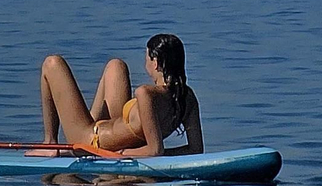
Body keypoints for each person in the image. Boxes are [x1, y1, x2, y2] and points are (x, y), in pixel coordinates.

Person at [37, 33, 203, 157]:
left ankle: (50, 142)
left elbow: (155, 150)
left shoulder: (146, 94)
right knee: (116, 65)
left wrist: (120, 154)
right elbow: (195, 149)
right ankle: (87, 123)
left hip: (88, 141)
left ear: (156, 63)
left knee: (52, 63)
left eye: (146, 58)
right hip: (109, 129)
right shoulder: (188, 98)